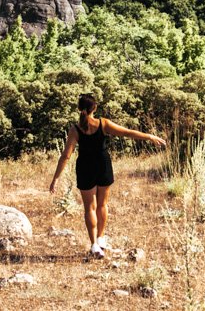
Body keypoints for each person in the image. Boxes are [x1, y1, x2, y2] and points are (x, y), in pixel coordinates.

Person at [49, 93, 166, 258]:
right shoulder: (103, 124)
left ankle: (94, 245)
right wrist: (149, 137)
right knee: (102, 205)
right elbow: (128, 133)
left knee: (89, 207)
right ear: (94, 108)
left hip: (85, 168)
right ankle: (101, 238)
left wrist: (56, 178)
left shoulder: (75, 130)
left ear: (79, 109)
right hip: (103, 165)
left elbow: (65, 156)